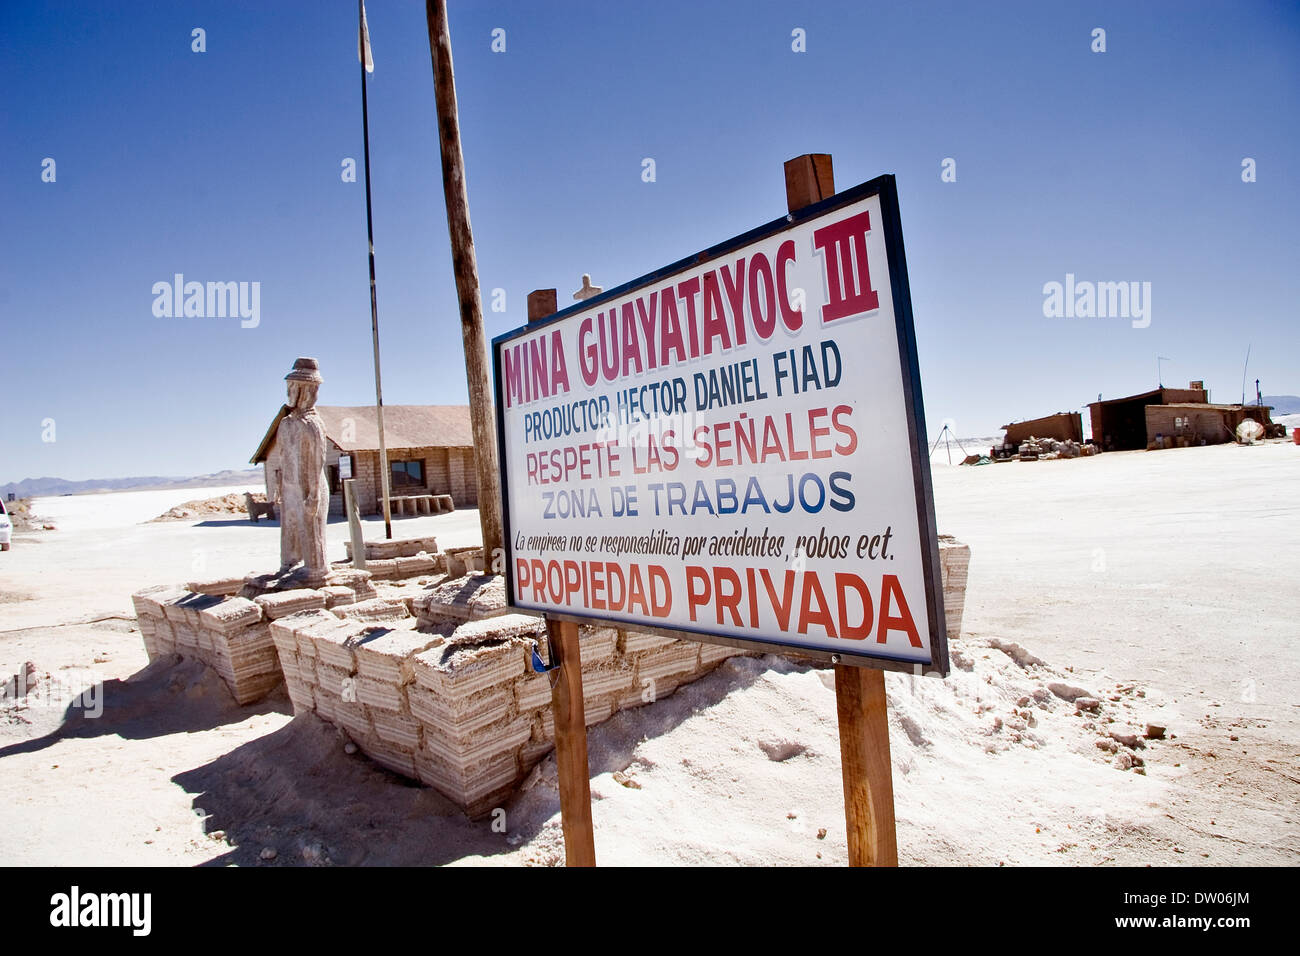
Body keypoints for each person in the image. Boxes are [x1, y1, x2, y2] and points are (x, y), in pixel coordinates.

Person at [278, 357, 329, 583]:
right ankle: (289, 563)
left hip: (310, 486)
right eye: (289, 386)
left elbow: (318, 460)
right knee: (290, 530)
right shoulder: (286, 423)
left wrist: (314, 493)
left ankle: (316, 569)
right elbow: (281, 458)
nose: (289, 391)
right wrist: (280, 487)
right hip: (290, 486)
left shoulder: (313, 424)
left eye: (293, 387)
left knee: (311, 530)